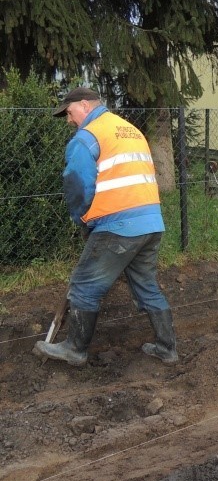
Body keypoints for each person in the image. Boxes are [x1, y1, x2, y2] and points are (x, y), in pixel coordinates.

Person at [33, 87, 178, 366]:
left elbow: (78, 183)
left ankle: (75, 349)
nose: (68, 119)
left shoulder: (87, 137)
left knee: (85, 285)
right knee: (146, 285)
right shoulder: (129, 130)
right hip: (151, 222)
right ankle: (167, 347)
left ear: (84, 105)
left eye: (70, 112)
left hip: (118, 224)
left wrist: (82, 218)